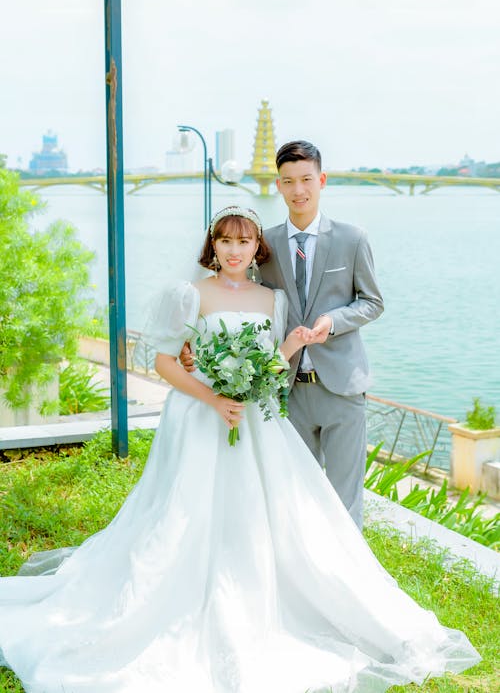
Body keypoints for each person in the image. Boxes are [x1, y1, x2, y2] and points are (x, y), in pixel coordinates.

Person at [0, 208, 479, 693]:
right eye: (225, 241)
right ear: (213, 246)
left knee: (266, 515)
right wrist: (215, 398)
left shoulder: (271, 299)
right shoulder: (191, 294)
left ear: (257, 250)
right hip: (199, 419)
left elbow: (269, 367)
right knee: (186, 515)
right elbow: (165, 362)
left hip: (257, 422)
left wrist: (289, 348)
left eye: (244, 242)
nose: (234, 250)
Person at [260, 140, 384, 528]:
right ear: (278, 185)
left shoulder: (352, 238)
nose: (299, 190)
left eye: (307, 180)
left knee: (344, 501)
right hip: (290, 391)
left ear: (322, 180)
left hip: (342, 388)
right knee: (297, 494)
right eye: (289, 181)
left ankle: (350, 581)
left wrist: (334, 321)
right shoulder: (264, 244)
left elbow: (372, 302)